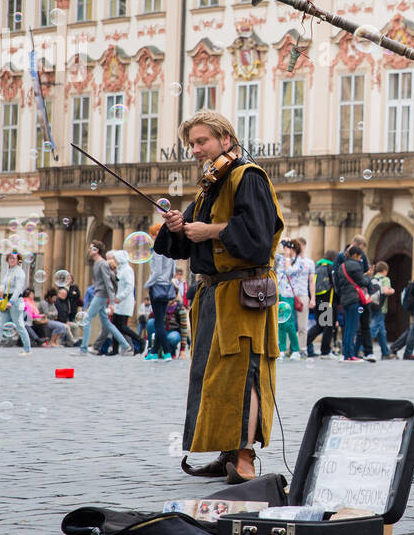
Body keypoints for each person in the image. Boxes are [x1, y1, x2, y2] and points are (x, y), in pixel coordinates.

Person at [155, 110, 283, 483]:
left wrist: (208, 230)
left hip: (245, 292)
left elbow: (257, 238)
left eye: (202, 141)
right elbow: (187, 244)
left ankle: (244, 457)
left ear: (226, 139)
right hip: (214, 293)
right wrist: (179, 227)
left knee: (245, 371)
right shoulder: (211, 183)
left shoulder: (248, 177)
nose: (195, 149)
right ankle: (228, 452)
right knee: (217, 375)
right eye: (191, 143)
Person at [73, 241, 131, 355]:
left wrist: (112, 301)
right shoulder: (97, 263)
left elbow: (108, 282)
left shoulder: (102, 264)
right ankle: (125, 345)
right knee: (106, 323)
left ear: (97, 250)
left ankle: (83, 349)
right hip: (99, 294)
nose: (89, 250)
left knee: (86, 320)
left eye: (91, 248)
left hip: (101, 295)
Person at [0, 251, 32, 356]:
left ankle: (27, 349)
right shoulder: (9, 271)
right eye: (10, 258)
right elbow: (5, 287)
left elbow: (18, 288)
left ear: (18, 260)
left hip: (15, 302)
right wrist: (1, 297)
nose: (11, 260)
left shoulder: (19, 272)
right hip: (6, 300)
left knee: (19, 325)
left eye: (14, 258)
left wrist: (11, 302)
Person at [335, 242, 373, 362]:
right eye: (360, 256)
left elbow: (339, 283)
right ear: (355, 255)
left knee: (347, 328)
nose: (361, 259)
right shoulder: (355, 265)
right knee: (353, 328)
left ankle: (347, 354)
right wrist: (368, 276)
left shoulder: (342, 266)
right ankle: (350, 355)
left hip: (345, 299)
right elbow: (362, 282)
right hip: (354, 299)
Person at [144, 238, 176, 361]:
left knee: (158, 322)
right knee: (160, 320)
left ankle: (167, 352)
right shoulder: (171, 251)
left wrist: (147, 284)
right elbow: (172, 272)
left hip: (157, 286)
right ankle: (155, 352)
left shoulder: (158, 251)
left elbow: (156, 272)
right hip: (167, 287)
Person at [368, 260, 395, 359]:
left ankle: (385, 353)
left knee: (382, 331)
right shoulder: (385, 279)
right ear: (385, 271)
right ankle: (362, 348)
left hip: (372, 305)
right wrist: (392, 290)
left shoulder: (372, 279)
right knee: (374, 328)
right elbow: (386, 291)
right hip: (381, 307)